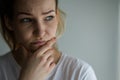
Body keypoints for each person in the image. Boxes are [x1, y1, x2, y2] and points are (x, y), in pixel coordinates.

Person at [0, 0, 97, 80]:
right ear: (9, 22)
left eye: (49, 17)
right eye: (26, 20)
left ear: (57, 17)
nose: (40, 32)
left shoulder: (80, 73)